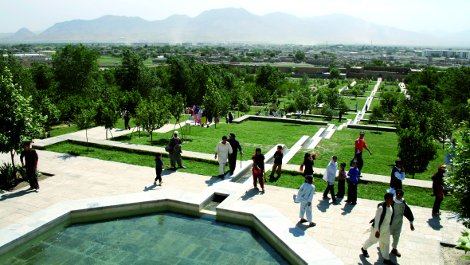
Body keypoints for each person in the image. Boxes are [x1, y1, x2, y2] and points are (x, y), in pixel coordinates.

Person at [361, 192, 395, 265]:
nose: (392, 200)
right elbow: (377, 220)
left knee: (386, 243)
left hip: (386, 229)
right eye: (391, 199)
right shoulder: (381, 208)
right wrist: (377, 231)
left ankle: (386, 258)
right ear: (387, 199)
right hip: (378, 229)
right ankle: (364, 248)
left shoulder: (391, 207)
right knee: (372, 241)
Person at [390, 189, 415, 258]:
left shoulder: (403, 203)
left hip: (398, 223)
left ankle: (394, 249)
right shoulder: (391, 202)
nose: (398, 195)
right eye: (397, 194)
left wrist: (411, 224)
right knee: (385, 235)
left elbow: (408, 213)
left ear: (402, 195)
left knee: (397, 237)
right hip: (390, 223)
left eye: (400, 194)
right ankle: (382, 246)